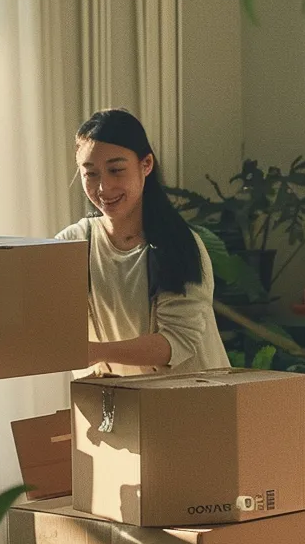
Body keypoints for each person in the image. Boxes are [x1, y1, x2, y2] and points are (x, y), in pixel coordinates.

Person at [55, 108, 230, 376]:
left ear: (146, 165)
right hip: (124, 404)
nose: (103, 187)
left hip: (196, 400)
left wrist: (95, 352)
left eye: (116, 170)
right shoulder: (76, 242)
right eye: (90, 174)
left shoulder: (179, 244)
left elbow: (175, 344)